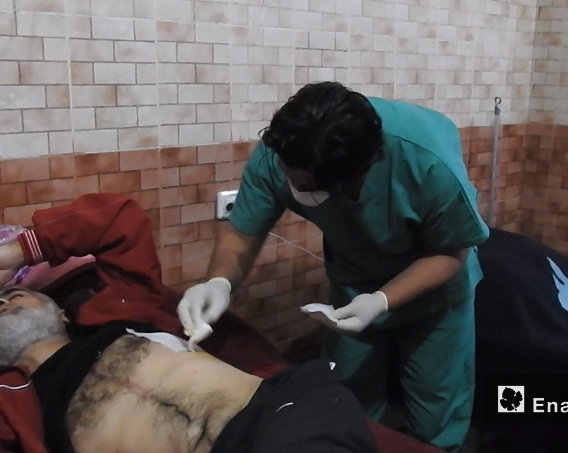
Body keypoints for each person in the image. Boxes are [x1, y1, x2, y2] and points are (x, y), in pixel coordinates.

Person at [178, 81, 490, 453]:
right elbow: (243, 232)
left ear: (355, 179)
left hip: (435, 293)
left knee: (435, 417)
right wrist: (218, 282)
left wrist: (381, 301)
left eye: (303, 186)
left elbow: (452, 252)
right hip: (353, 283)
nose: (290, 185)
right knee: (345, 402)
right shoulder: (286, 149)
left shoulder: (427, 162)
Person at [0, 193, 378, 453]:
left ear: (61, 312)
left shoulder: (118, 311)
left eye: (13, 294)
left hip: (279, 417)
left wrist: (20, 252)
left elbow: (119, 219)